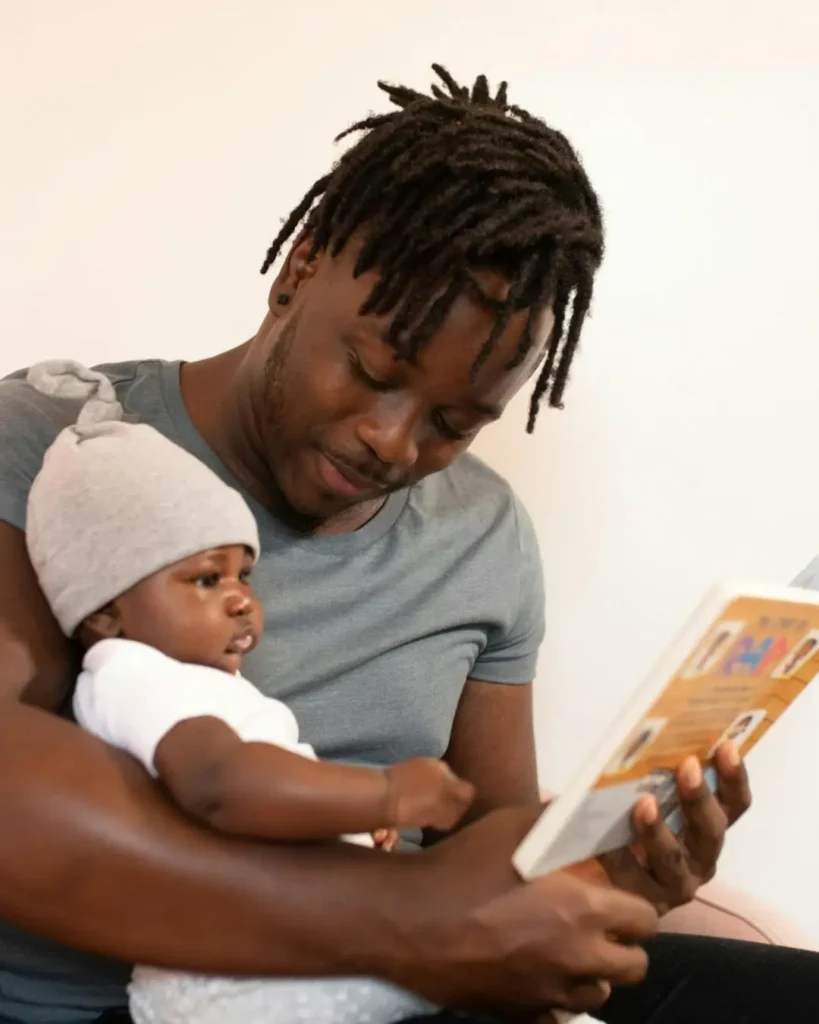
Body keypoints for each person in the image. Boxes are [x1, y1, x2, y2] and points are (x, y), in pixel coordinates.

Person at [0, 64, 816, 1024]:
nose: (394, 442)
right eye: (370, 367)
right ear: (300, 268)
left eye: (456, 422)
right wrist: (402, 916)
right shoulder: (65, 443)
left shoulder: (484, 533)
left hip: (400, 992)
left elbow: (488, 828)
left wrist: (622, 862)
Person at [23, 360, 477, 1024]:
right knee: (475, 960)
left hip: (252, 962)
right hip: (222, 984)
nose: (241, 599)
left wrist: (348, 820)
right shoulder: (132, 675)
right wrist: (381, 793)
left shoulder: (196, 684)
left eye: (245, 575)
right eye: (207, 580)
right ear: (104, 612)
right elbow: (221, 784)